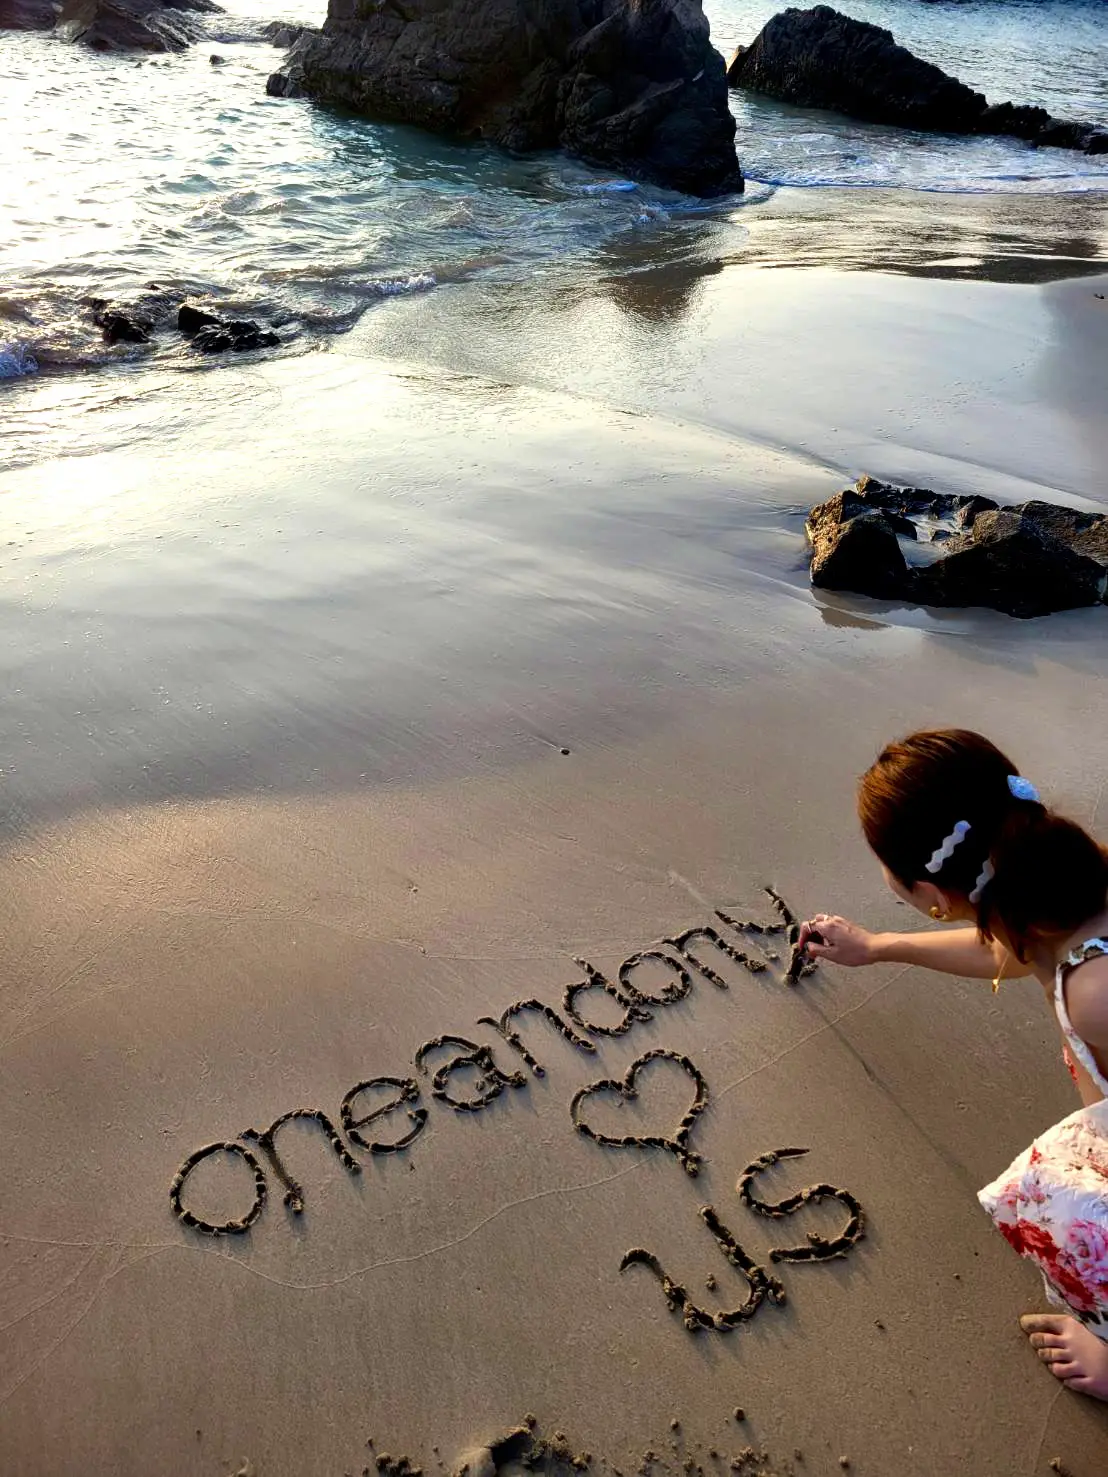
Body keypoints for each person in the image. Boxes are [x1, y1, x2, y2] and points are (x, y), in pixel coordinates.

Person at [798, 729, 1108, 1399]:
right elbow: (1008, 950)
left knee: (1063, 1211)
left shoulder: (1097, 994)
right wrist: (877, 946)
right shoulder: (1066, 892)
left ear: (933, 891)